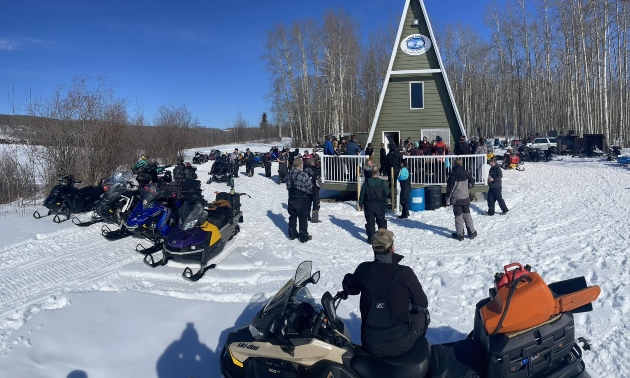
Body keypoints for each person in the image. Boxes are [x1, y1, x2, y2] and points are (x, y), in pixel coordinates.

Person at [341, 229, 429, 358]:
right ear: (392, 248)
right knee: (423, 314)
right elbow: (422, 303)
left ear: (373, 249)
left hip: (370, 344)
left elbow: (350, 288)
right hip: (400, 344)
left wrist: (350, 278)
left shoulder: (364, 269)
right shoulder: (405, 272)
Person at [446, 158, 477, 241]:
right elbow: (472, 183)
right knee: (467, 214)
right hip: (465, 197)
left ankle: (460, 234)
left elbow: (449, 189)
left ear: (454, 164)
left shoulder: (452, 175)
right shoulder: (466, 173)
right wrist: (467, 188)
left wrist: (447, 200)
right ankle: (472, 232)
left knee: (458, 216)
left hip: (457, 199)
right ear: (461, 164)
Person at [359, 166, 390, 243]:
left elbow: (362, 193)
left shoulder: (367, 182)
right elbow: (388, 193)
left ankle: (371, 239)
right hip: (380, 205)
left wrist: (360, 203)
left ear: (371, 173)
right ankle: (382, 238)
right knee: (381, 221)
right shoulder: (382, 182)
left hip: (368, 205)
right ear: (378, 173)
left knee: (370, 223)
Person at [286, 158, 313, 242]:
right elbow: (310, 187)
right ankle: (303, 236)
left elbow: (288, 186)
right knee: (302, 218)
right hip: (302, 199)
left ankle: (292, 234)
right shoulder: (304, 175)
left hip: (291, 198)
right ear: (300, 165)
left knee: (292, 217)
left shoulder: (288, 174)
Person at [304, 157, 321, 223]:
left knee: (308, 203)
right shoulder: (314, 170)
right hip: (314, 189)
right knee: (316, 203)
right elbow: (318, 180)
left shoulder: (305, 169)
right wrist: (321, 186)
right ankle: (314, 218)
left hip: (307, 189)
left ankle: (307, 217)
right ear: (312, 163)